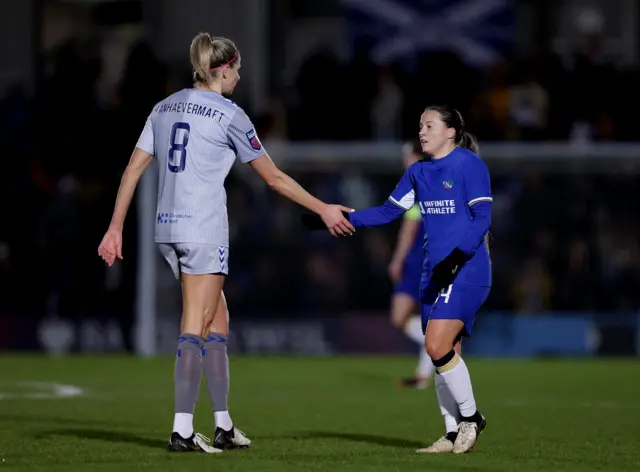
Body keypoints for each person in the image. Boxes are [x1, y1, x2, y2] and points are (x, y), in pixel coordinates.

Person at [98, 32, 355, 454]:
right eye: (236, 68)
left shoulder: (164, 107)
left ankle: (223, 424)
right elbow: (272, 177)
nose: (239, 74)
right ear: (221, 70)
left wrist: (115, 228)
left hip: (168, 228)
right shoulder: (228, 115)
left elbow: (131, 171)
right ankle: (182, 430)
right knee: (195, 327)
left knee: (218, 323)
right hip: (202, 229)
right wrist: (323, 207)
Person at [302, 105, 491, 454]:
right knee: (445, 355)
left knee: (435, 346)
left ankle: (472, 418)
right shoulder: (418, 173)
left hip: (466, 270)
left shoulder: (469, 165)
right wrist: (338, 218)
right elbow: (388, 211)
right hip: (433, 274)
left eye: (430, 125)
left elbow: (482, 219)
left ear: (451, 132)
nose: (422, 131)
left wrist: (456, 258)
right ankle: (451, 434)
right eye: (420, 125)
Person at [388, 140, 434, 390]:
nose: (405, 162)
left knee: (399, 317)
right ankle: (422, 376)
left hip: (418, 261)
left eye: (408, 156)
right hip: (432, 260)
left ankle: (437, 345)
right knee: (420, 318)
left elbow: (409, 229)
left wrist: (397, 260)